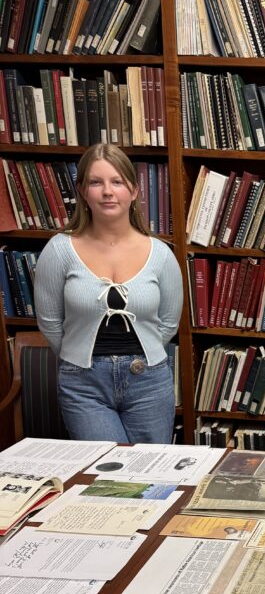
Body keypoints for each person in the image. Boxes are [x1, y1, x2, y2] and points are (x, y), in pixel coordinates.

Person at [34, 143, 183, 443]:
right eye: (96, 182)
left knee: (150, 476)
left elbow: (168, 323)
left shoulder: (161, 254)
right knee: (103, 481)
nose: (107, 191)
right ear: (82, 191)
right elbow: (49, 322)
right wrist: (79, 356)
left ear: (134, 191)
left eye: (117, 182)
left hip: (149, 380)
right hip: (83, 384)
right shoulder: (59, 250)